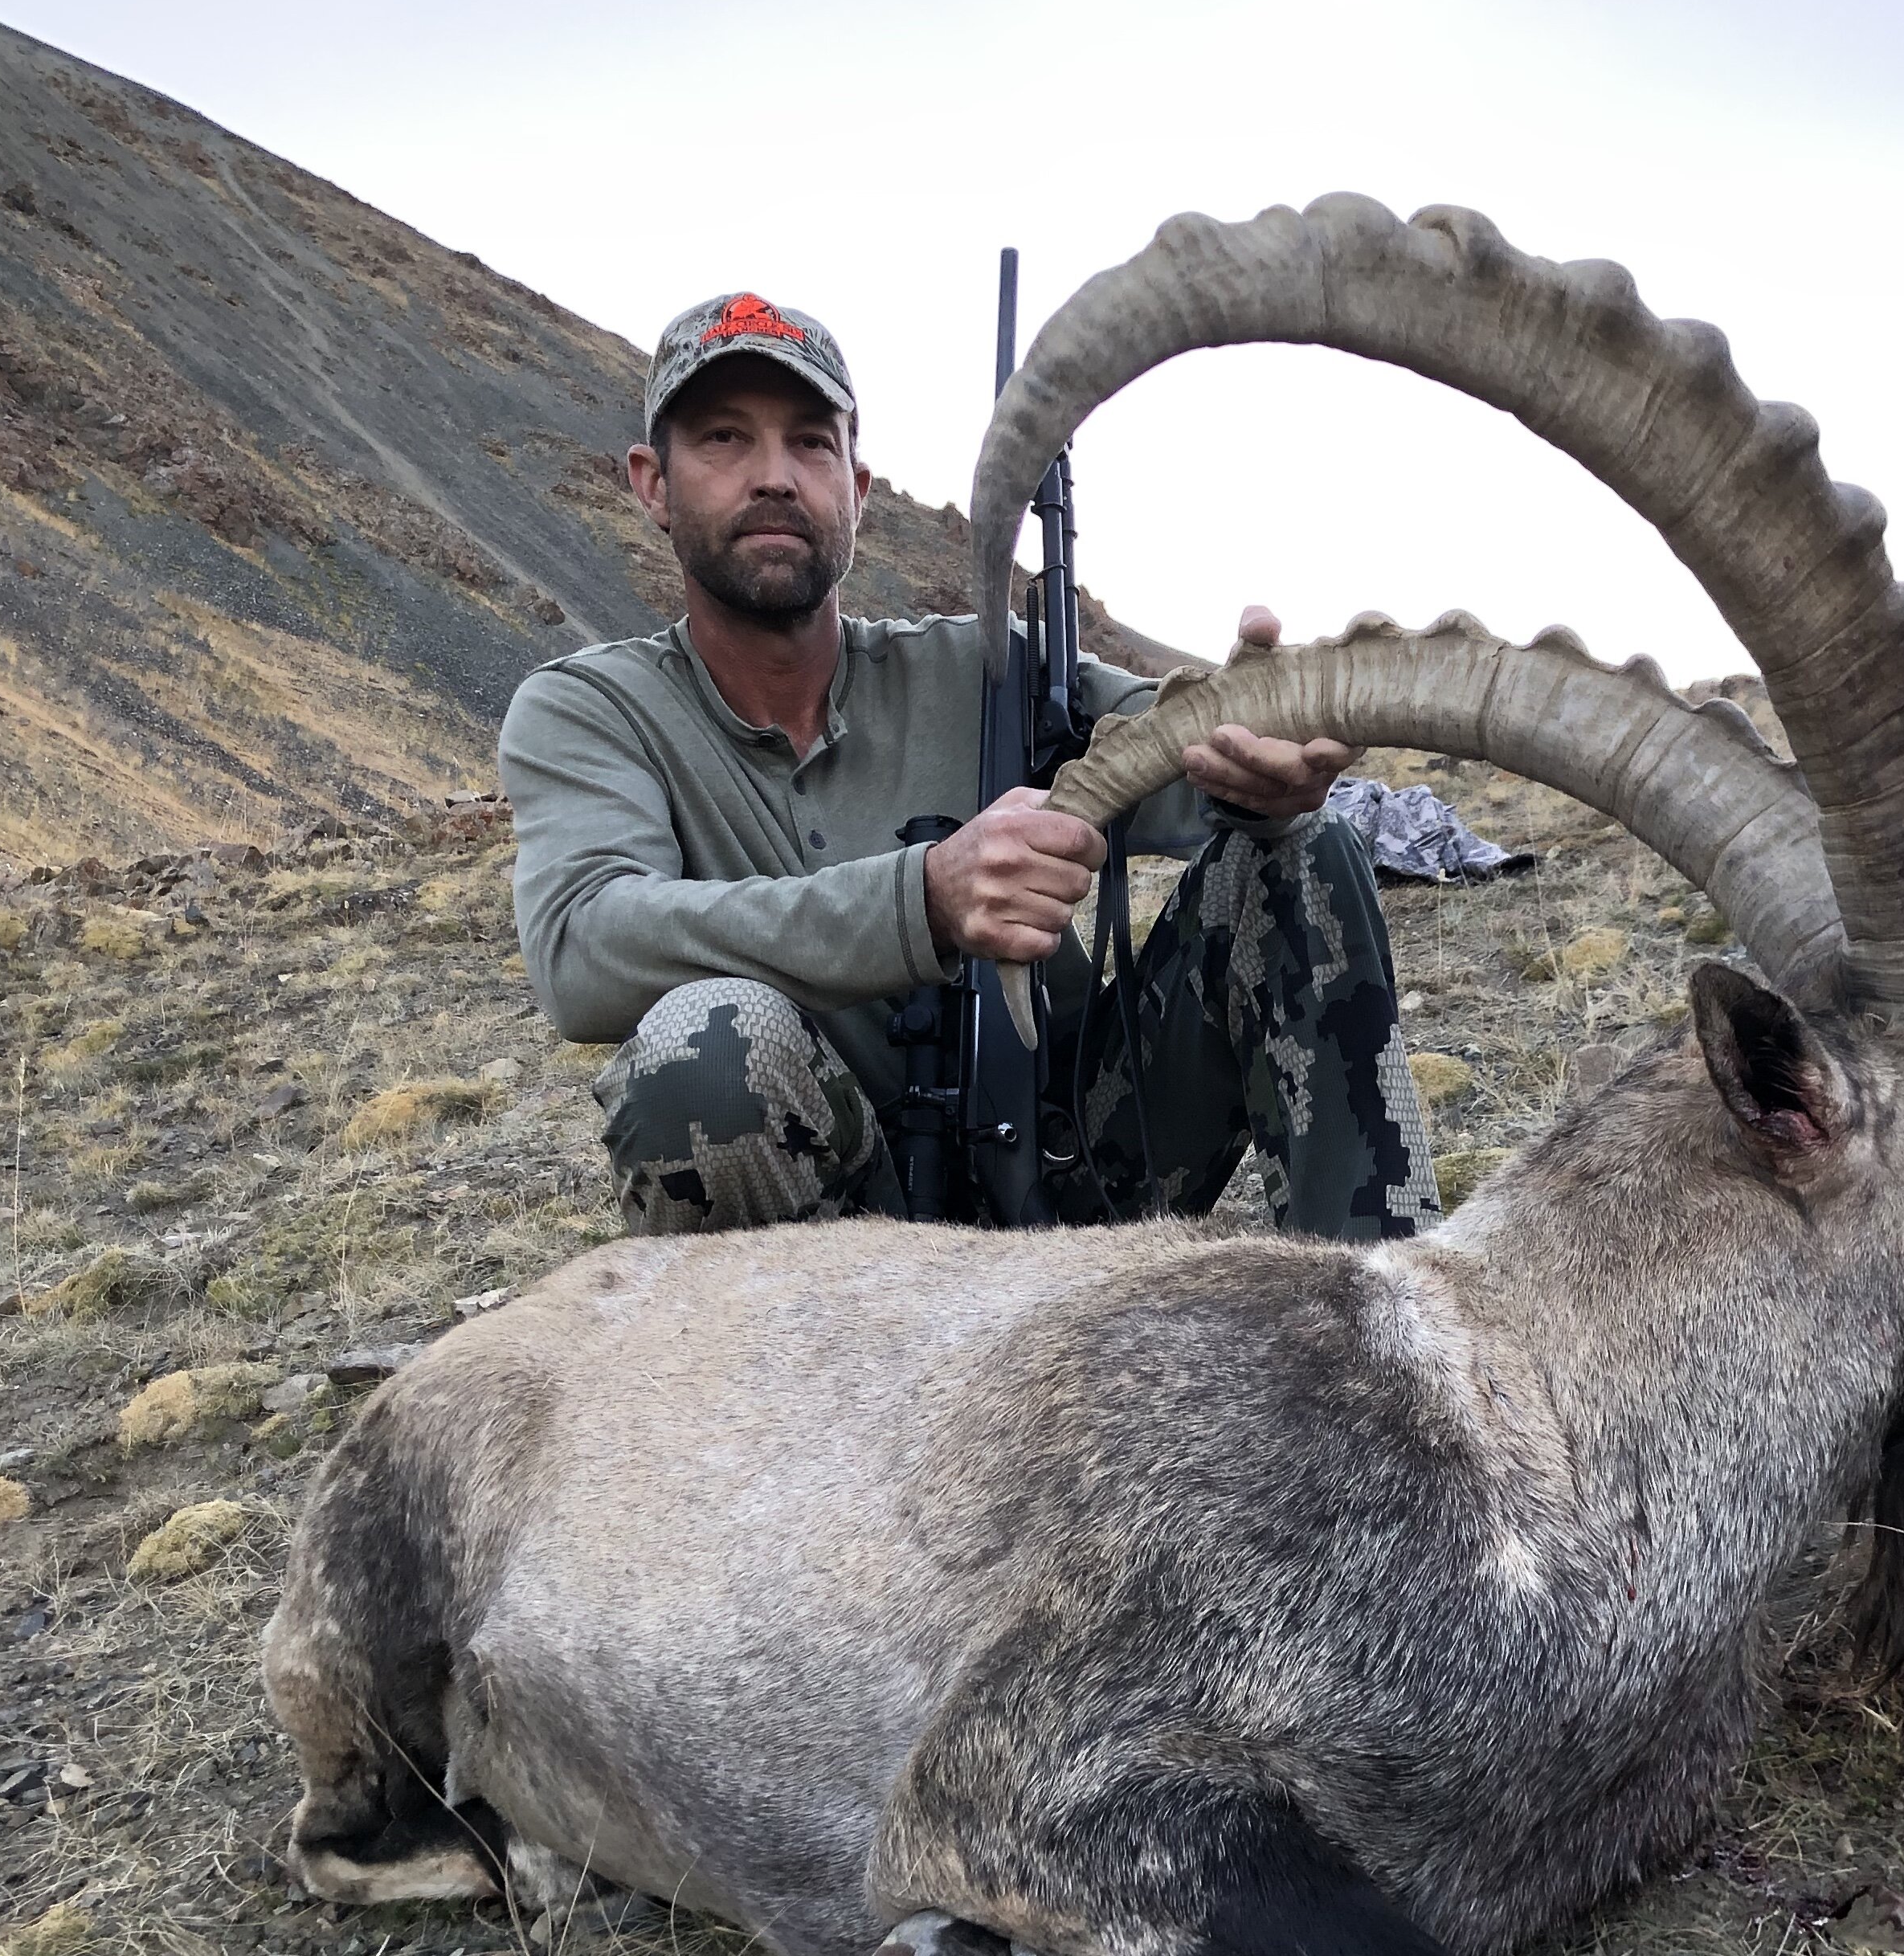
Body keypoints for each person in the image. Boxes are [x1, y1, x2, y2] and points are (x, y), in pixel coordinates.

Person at [498, 288, 1438, 1244]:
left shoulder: (990, 667)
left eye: (812, 443)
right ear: (652, 482)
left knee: (1301, 858)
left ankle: (1387, 1329)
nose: (775, 477)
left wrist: (1263, 749)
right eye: (725, 440)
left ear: (857, 493)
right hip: (820, 1267)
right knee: (703, 1050)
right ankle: (797, 1391)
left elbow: (1175, 753)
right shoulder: (589, 710)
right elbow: (585, 946)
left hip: (1079, 1173)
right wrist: (927, 901)